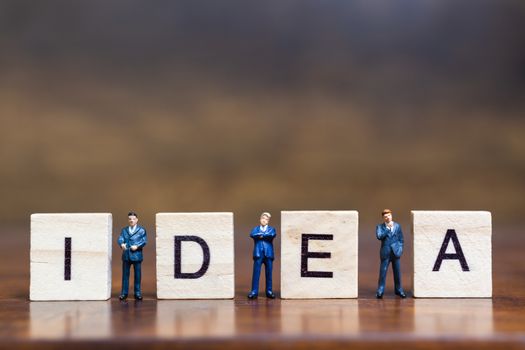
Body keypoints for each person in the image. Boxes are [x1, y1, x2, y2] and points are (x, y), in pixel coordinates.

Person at [376, 209, 406, 298]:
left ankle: (399, 290)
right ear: (383, 218)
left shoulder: (397, 226)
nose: (387, 217)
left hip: (396, 252)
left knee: (397, 272)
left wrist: (400, 249)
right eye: (385, 216)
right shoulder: (380, 227)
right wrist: (387, 229)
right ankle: (380, 290)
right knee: (383, 272)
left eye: (389, 215)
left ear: (391, 215)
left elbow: (401, 239)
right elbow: (379, 236)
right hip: (385, 252)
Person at [118, 211, 147, 301]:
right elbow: (120, 238)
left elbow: (144, 241)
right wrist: (121, 243)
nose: (131, 220)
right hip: (126, 255)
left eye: (133, 219)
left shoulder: (141, 230)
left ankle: (137, 293)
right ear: (128, 220)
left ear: (137, 220)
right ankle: (124, 293)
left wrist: (137, 246)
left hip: (137, 255)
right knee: (125, 276)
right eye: (130, 219)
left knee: (137, 276)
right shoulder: (124, 230)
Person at [248, 212, 276, 299]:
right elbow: (252, 235)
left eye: (266, 219)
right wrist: (264, 236)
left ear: (268, 221)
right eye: (263, 218)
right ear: (260, 219)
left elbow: (271, 235)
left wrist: (260, 236)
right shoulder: (255, 229)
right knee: (256, 273)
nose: (264, 220)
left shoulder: (272, 229)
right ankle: (254, 291)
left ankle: (269, 291)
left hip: (268, 254)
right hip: (258, 253)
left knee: (269, 274)